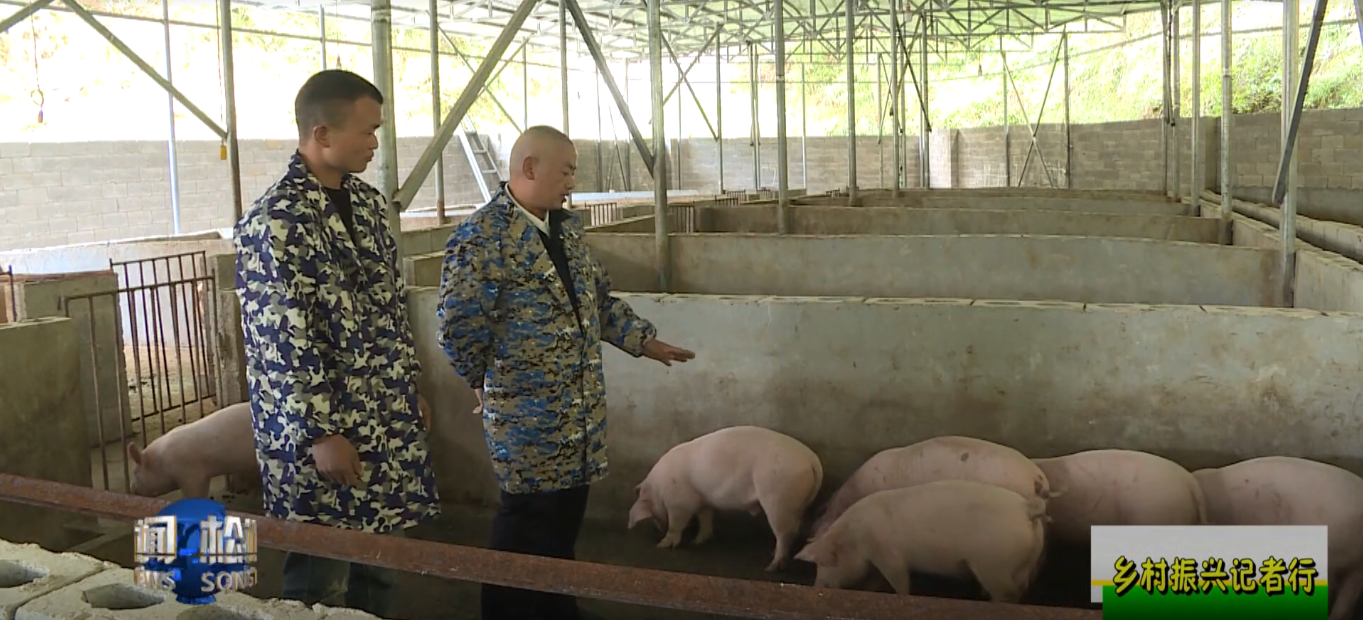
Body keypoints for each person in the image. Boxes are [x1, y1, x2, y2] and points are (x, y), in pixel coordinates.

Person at [437, 124, 695, 620]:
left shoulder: (566, 230)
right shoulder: (483, 237)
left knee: (562, 524)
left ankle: (557, 607)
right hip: (526, 417)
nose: (572, 180)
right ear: (530, 168)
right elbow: (458, 325)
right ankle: (507, 614)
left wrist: (642, 340)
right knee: (525, 525)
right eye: (567, 170)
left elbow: (594, 303)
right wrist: (484, 382)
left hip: (577, 417)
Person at [233, 69, 441, 617]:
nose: (376, 142)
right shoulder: (275, 221)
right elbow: (281, 337)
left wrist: (405, 390)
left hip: (381, 416)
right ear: (322, 134)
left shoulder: (371, 208)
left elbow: (392, 310)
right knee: (320, 574)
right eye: (367, 132)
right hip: (321, 432)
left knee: (380, 562)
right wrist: (319, 433)